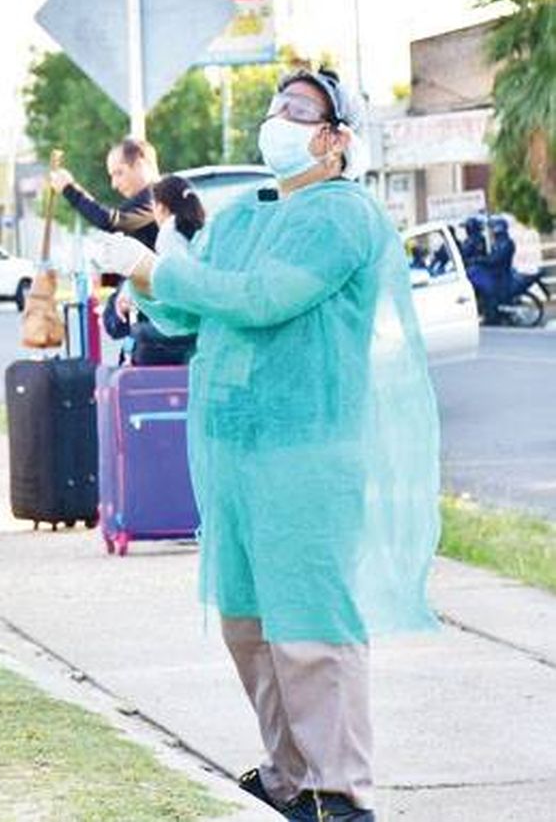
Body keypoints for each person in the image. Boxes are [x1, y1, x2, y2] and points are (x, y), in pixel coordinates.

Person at [93, 69, 440, 822]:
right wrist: (142, 287)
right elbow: (192, 314)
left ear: (336, 137)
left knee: (310, 617)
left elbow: (262, 299)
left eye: (300, 108)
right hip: (232, 447)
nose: (278, 116)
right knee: (246, 618)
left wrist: (160, 267)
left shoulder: (343, 216)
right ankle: (289, 776)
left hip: (307, 444)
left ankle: (340, 787)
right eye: (276, 103)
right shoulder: (245, 215)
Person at [104, 174, 205, 366]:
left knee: (138, 336)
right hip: (202, 324)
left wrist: (132, 294)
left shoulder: (169, 233)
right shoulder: (200, 229)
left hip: (182, 325)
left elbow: (169, 278)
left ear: (160, 207)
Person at [49, 137, 161, 248]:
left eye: (119, 173)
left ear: (139, 165)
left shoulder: (158, 196)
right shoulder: (148, 199)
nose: (114, 185)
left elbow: (109, 221)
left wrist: (69, 190)